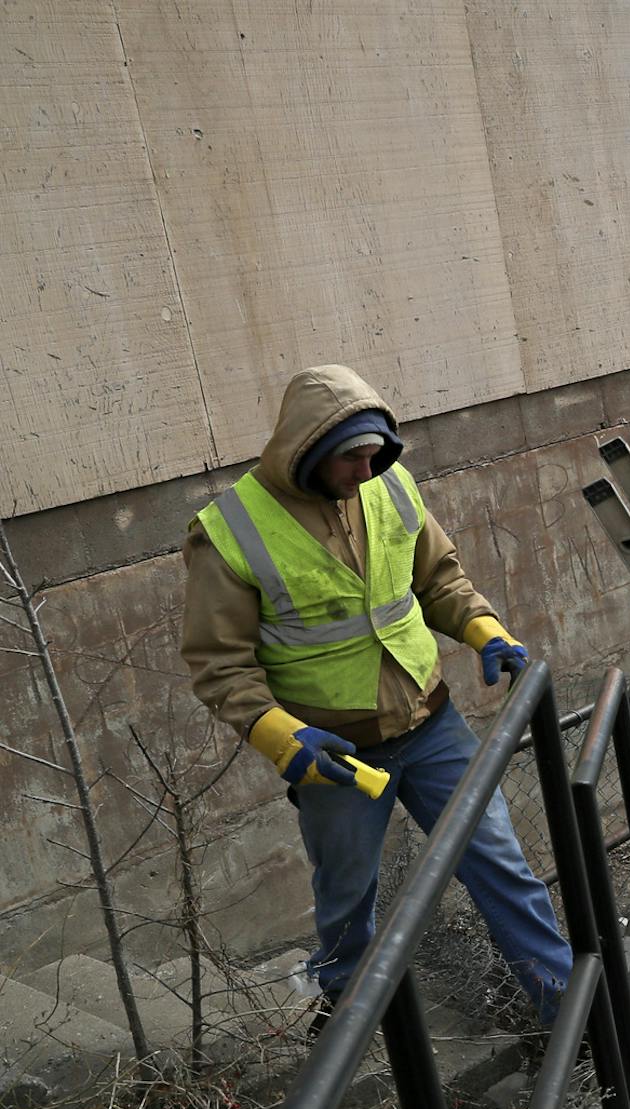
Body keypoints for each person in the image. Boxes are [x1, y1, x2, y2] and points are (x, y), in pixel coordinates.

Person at [183, 365, 572, 1028]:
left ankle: (571, 1014)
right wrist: (284, 738)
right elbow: (220, 665)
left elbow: (440, 579)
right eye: (353, 459)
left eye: (376, 455)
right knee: (346, 903)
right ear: (306, 452)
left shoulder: (389, 485)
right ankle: (353, 1033)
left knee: (504, 871)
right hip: (334, 755)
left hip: (432, 727)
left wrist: (485, 632)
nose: (368, 471)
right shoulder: (231, 530)